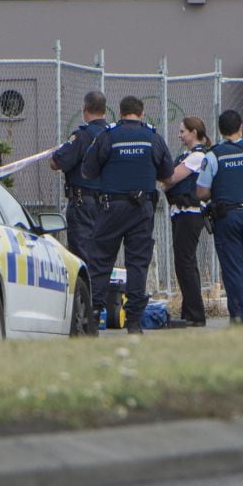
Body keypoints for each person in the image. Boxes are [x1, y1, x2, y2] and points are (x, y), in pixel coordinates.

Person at [82, 95, 175, 334]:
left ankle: (93, 318)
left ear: (120, 113)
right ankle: (133, 322)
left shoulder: (107, 136)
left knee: (101, 260)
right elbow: (168, 175)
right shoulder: (153, 137)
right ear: (141, 114)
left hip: (111, 207)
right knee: (137, 264)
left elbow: (88, 171)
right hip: (142, 208)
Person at [196, 110, 243, 325]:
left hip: (227, 217)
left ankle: (238, 317)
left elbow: (202, 192)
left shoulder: (213, 155)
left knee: (233, 270)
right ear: (240, 127)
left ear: (220, 130)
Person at [161, 117, 212, 327]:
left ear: (193, 132)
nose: (180, 135)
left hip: (189, 213)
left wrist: (166, 181)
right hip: (180, 213)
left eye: (183, 131)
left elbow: (170, 178)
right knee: (184, 262)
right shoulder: (186, 156)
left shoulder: (197, 156)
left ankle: (195, 314)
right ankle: (188, 312)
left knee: (185, 262)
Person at [50, 90, 109, 264]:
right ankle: (100, 289)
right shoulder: (112, 135)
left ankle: (86, 290)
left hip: (83, 203)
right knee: (102, 252)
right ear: (104, 110)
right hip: (108, 204)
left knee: (81, 254)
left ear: (84, 108)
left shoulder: (82, 136)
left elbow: (56, 162)